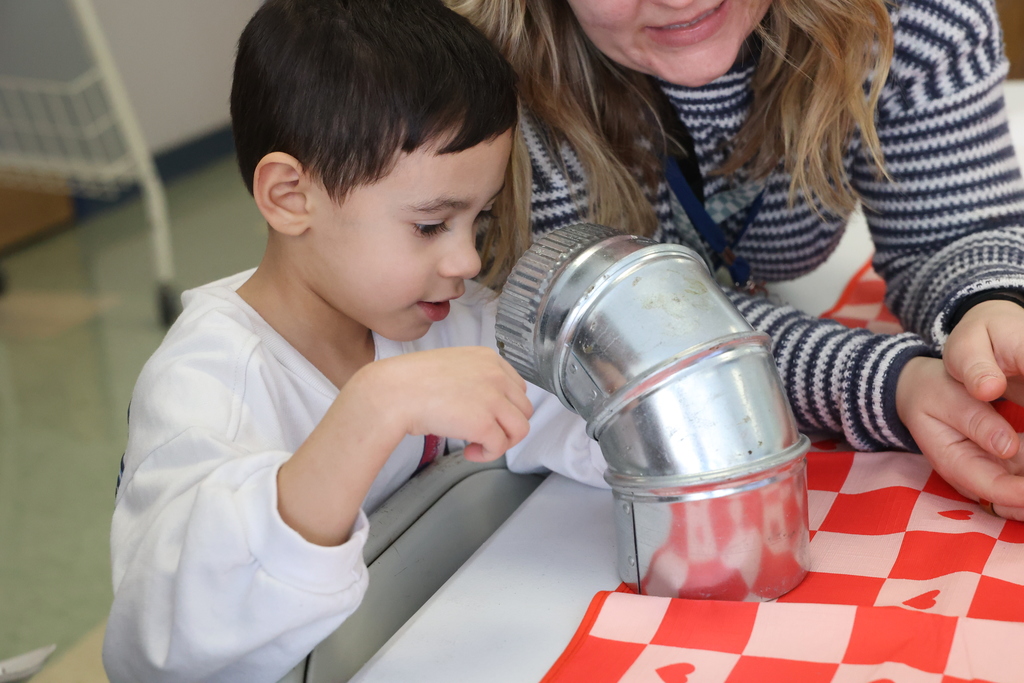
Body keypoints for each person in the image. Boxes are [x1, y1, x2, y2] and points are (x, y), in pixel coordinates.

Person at [101, 2, 605, 681]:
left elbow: (575, 419)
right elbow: (160, 646)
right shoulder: (207, 383)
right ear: (290, 196)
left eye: (479, 221)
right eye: (430, 225)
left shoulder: (445, 320)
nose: (466, 260)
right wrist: (371, 409)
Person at [454, 0, 1024, 519]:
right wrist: (890, 383)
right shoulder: (484, 72)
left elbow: (954, 231)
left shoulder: (917, 19)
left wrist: (991, 305)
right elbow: (613, 324)